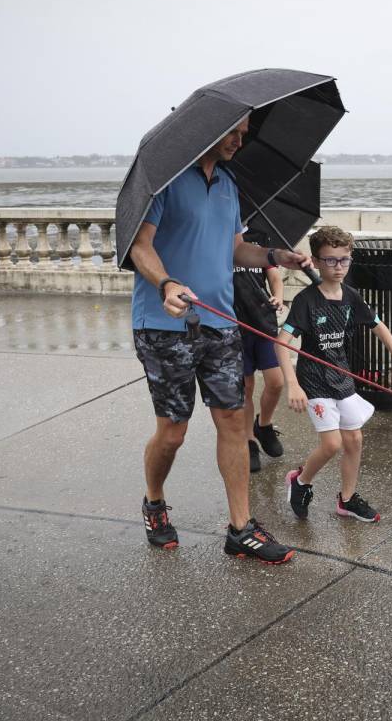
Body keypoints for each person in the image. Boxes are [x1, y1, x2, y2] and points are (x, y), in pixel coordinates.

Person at [128, 115, 310, 565]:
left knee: (233, 421)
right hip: (163, 323)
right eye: (233, 132)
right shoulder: (163, 181)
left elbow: (234, 248)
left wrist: (273, 255)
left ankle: (240, 529)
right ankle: (154, 501)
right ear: (206, 130)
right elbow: (139, 245)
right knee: (173, 432)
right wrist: (168, 284)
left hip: (222, 322)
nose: (239, 141)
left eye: (243, 134)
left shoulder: (228, 184)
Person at [277, 226, 392, 523]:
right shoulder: (306, 301)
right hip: (313, 380)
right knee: (332, 444)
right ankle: (300, 481)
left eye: (344, 260)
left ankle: (347, 500)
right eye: (330, 261)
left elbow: (379, 326)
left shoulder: (351, 297)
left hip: (342, 376)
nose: (338, 267)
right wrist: (292, 384)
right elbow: (281, 342)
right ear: (315, 261)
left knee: (354, 440)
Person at [232, 230, 287, 472]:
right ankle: (248, 441)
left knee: (276, 382)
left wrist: (278, 297)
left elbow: (274, 275)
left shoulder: (259, 233)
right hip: (234, 323)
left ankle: (263, 425)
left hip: (263, 320)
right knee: (246, 387)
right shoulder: (219, 235)